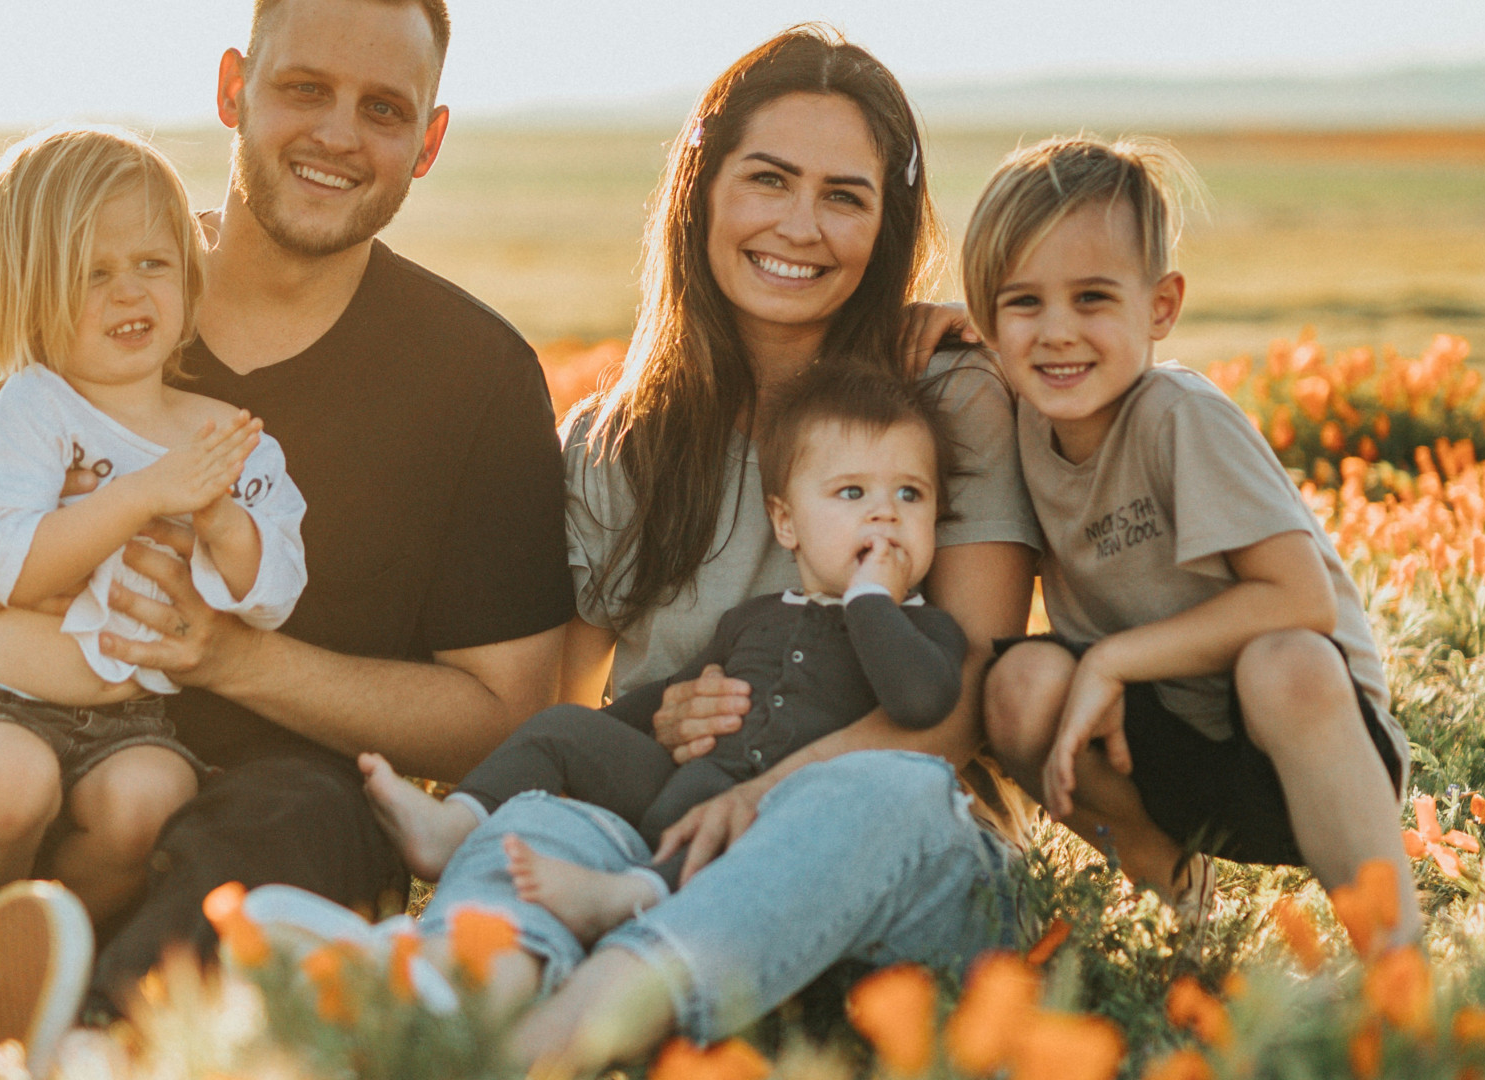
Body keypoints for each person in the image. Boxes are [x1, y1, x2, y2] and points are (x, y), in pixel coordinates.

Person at [0, 0, 574, 1061]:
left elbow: (502, 713)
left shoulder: (476, 377)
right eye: (303, 89)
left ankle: (84, 1043)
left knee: (297, 819)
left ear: (428, 142)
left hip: (234, 837)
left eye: (382, 108)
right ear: (234, 88)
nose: (337, 133)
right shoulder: (57, 284)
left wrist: (232, 657)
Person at [401, 26, 1042, 1071]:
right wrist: (658, 716)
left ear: (886, 228)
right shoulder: (618, 443)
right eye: (769, 180)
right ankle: (443, 1015)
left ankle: (568, 1034)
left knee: (879, 794)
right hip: (667, 841)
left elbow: (958, 708)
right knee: (542, 818)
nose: (801, 224)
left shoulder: (947, 401)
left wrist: (762, 793)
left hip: (889, 872)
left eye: (845, 195)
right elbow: (565, 703)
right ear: (701, 190)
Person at [964, 136, 1420, 940]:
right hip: (1161, 752)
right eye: (1024, 303)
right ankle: (1180, 911)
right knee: (1017, 684)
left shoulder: (1180, 417)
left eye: (1094, 298)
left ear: (1162, 307)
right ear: (988, 321)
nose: (1057, 332)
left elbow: (1300, 598)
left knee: (1286, 661)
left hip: (1303, 749)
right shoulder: (1021, 428)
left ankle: (1397, 963)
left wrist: (1112, 658)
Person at [361, 364, 967, 942]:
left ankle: (630, 895)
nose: (885, 513)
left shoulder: (927, 633)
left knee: (728, 834)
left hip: (781, 820)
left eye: (911, 495)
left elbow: (920, 699)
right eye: (853, 492)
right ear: (787, 523)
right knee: (563, 728)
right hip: (680, 784)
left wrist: (870, 601)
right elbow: (667, 695)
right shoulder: (755, 617)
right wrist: (609, 735)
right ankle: (455, 825)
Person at [0, 124, 307, 931]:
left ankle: (51, 961)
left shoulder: (225, 432)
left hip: (131, 722)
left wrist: (219, 519)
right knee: (8, 788)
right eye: (92, 274)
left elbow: (273, 593)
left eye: (152, 265)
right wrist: (141, 495)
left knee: (151, 801)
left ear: (189, 280)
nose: (129, 293)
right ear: (28, 295)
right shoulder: (32, 409)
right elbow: (6, 566)